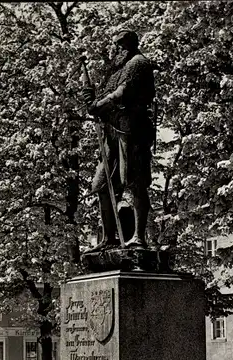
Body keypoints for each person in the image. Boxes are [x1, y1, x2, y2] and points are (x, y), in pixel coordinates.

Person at [83, 30, 155, 251]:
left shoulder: (138, 63)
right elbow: (105, 96)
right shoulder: (115, 71)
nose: (116, 49)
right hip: (111, 133)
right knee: (102, 185)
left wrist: (99, 105)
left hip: (131, 131)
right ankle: (108, 238)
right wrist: (93, 102)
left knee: (134, 182)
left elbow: (122, 94)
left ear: (129, 44)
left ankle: (138, 237)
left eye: (120, 45)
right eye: (115, 45)